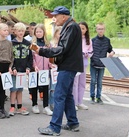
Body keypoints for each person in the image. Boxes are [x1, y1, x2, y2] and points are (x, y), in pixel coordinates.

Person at [35, 6, 83, 135]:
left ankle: (54, 127)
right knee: (67, 95)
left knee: (59, 95)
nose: (54, 19)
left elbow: (63, 49)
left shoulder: (71, 27)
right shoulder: (71, 26)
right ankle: (73, 123)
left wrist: (42, 51)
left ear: (64, 16)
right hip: (70, 66)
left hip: (68, 67)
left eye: (56, 16)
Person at [30, 24, 54, 116]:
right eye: (37, 32)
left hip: (45, 70)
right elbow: (31, 57)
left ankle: (45, 107)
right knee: (34, 87)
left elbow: (50, 56)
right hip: (36, 69)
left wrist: (50, 64)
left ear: (44, 32)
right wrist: (34, 66)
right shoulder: (33, 45)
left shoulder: (48, 44)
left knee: (45, 87)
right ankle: (34, 104)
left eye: (40, 31)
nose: (39, 33)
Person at [8, 22, 32, 116]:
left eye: (22, 30)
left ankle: (19, 106)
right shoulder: (12, 43)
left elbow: (30, 57)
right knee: (13, 89)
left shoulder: (27, 43)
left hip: (23, 70)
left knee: (20, 89)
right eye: (19, 31)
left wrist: (28, 67)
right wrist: (12, 67)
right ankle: (12, 106)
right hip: (15, 70)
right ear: (15, 32)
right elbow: (10, 57)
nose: (21, 32)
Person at [90, 23, 115, 104]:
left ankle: (99, 97)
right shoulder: (93, 40)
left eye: (102, 29)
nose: (100, 30)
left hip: (102, 64)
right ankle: (92, 96)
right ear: (96, 30)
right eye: (99, 29)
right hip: (94, 63)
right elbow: (89, 50)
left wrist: (112, 53)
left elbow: (111, 50)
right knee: (93, 80)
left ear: (104, 30)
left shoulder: (107, 40)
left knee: (99, 81)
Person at [72, 22, 93, 110]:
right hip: (75, 63)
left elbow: (91, 51)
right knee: (75, 83)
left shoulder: (88, 40)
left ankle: (80, 102)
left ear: (86, 29)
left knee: (82, 83)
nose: (81, 30)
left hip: (84, 63)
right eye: (79, 28)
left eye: (83, 28)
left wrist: (87, 54)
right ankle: (74, 103)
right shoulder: (74, 38)